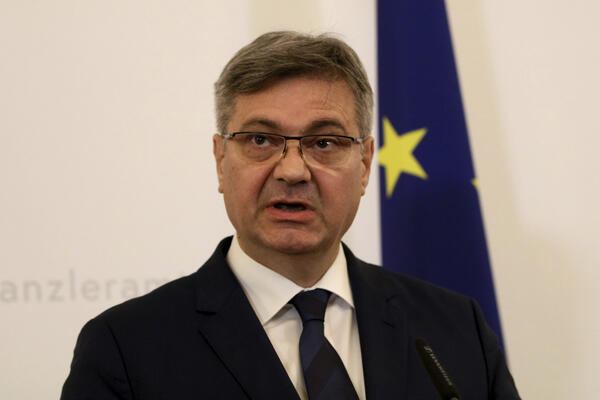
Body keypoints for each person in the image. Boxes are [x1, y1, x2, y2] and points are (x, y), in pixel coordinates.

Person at [61, 31, 520, 399]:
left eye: (325, 142)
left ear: (364, 165)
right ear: (221, 160)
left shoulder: (455, 329)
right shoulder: (126, 348)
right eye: (260, 140)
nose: (293, 170)